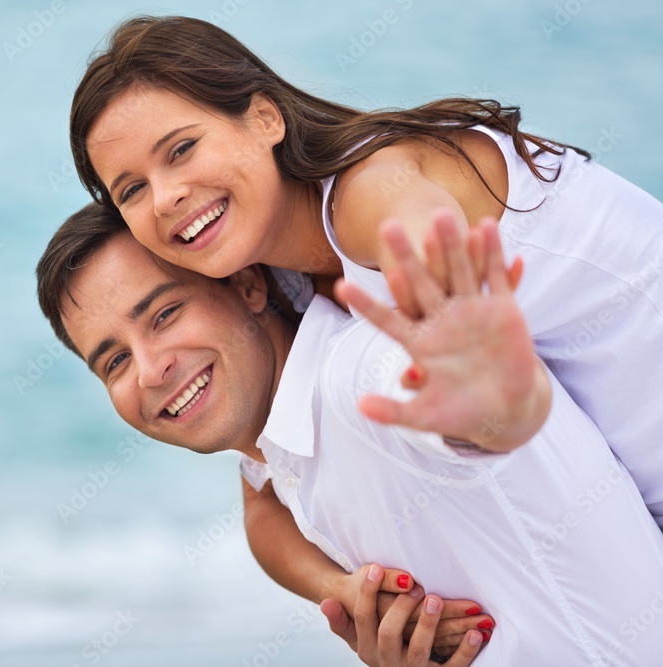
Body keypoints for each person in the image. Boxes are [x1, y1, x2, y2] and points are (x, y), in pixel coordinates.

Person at [68, 16, 663, 538]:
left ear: (264, 118)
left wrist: (475, 375)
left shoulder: (370, 192)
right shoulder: (281, 276)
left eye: (181, 149)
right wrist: (348, 595)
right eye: (133, 190)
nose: (167, 197)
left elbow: (422, 238)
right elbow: (264, 500)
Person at [35, 203, 663, 665]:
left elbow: (439, 406)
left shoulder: (359, 379)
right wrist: (347, 593)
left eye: (165, 314)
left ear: (251, 286)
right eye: (113, 360)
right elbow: (261, 502)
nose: (149, 370)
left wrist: (482, 404)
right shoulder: (282, 447)